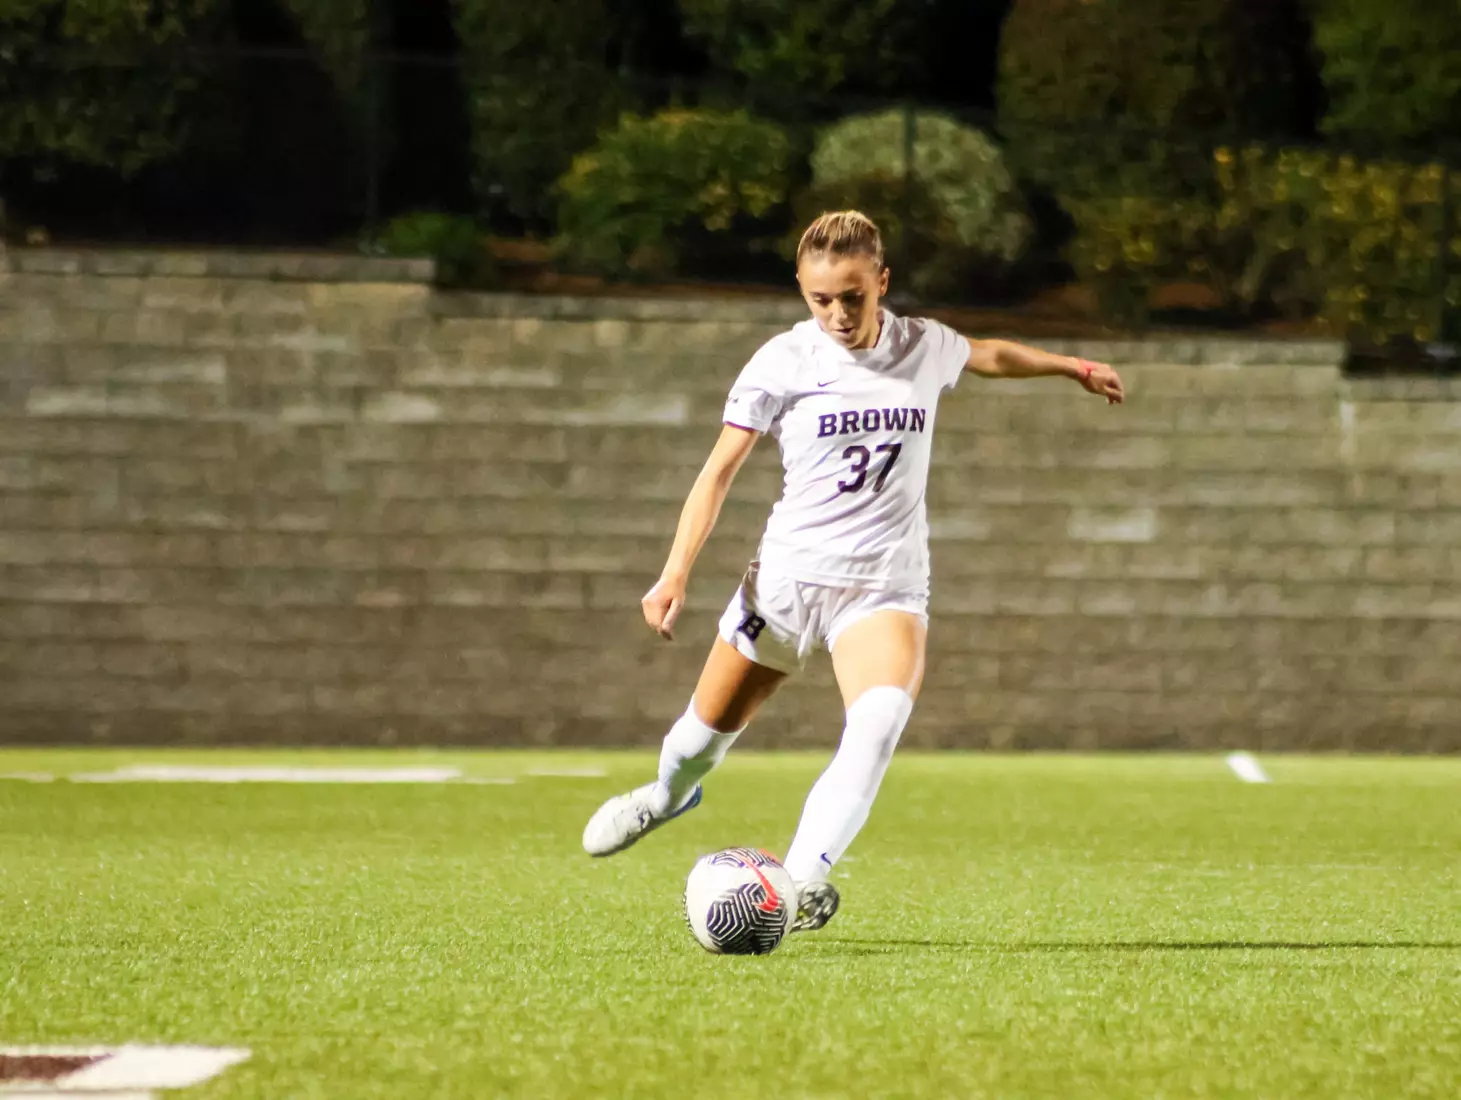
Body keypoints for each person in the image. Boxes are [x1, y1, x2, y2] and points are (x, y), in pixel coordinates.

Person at [582, 210, 1125, 932]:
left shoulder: (922, 345)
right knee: (695, 743)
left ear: (881, 283)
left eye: (853, 296)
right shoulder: (782, 361)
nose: (837, 313)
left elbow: (988, 354)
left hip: (882, 587)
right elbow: (717, 473)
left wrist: (1072, 367)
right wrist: (673, 572)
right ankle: (665, 796)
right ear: (802, 293)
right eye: (820, 299)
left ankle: (800, 880)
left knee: (875, 724)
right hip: (784, 584)